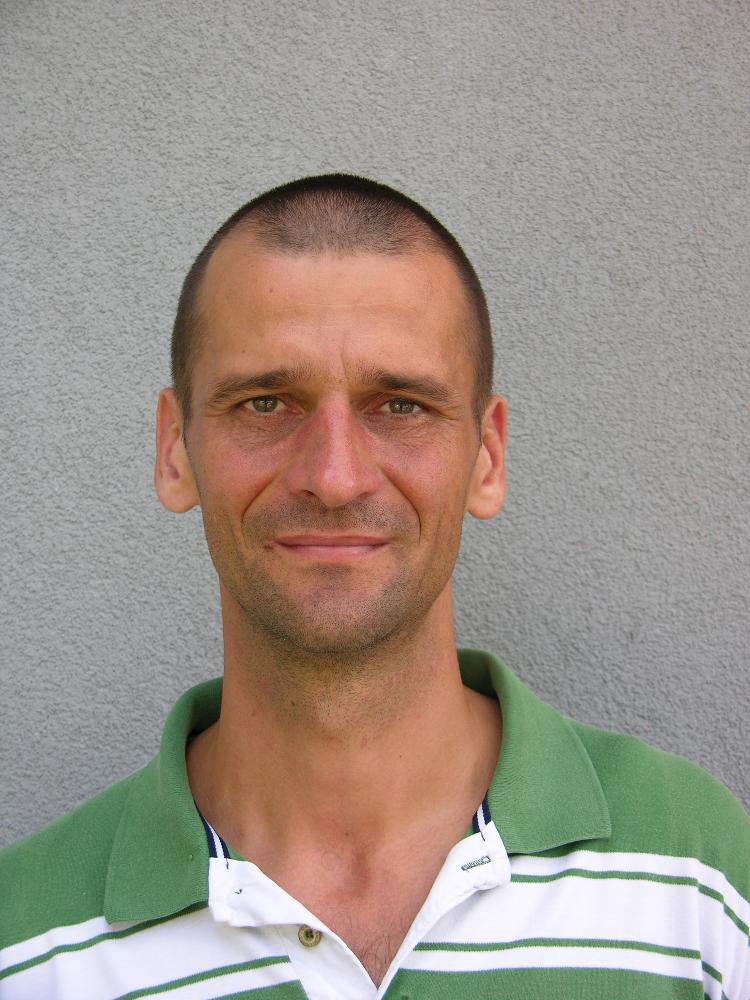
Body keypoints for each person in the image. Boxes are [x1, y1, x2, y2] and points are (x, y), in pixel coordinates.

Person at [1, 174, 747, 1000]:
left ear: (487, 458)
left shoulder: (701, 881)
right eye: (266, 403)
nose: (334, 476)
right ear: (175, 449)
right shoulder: (26, 947)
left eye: (399, 405)